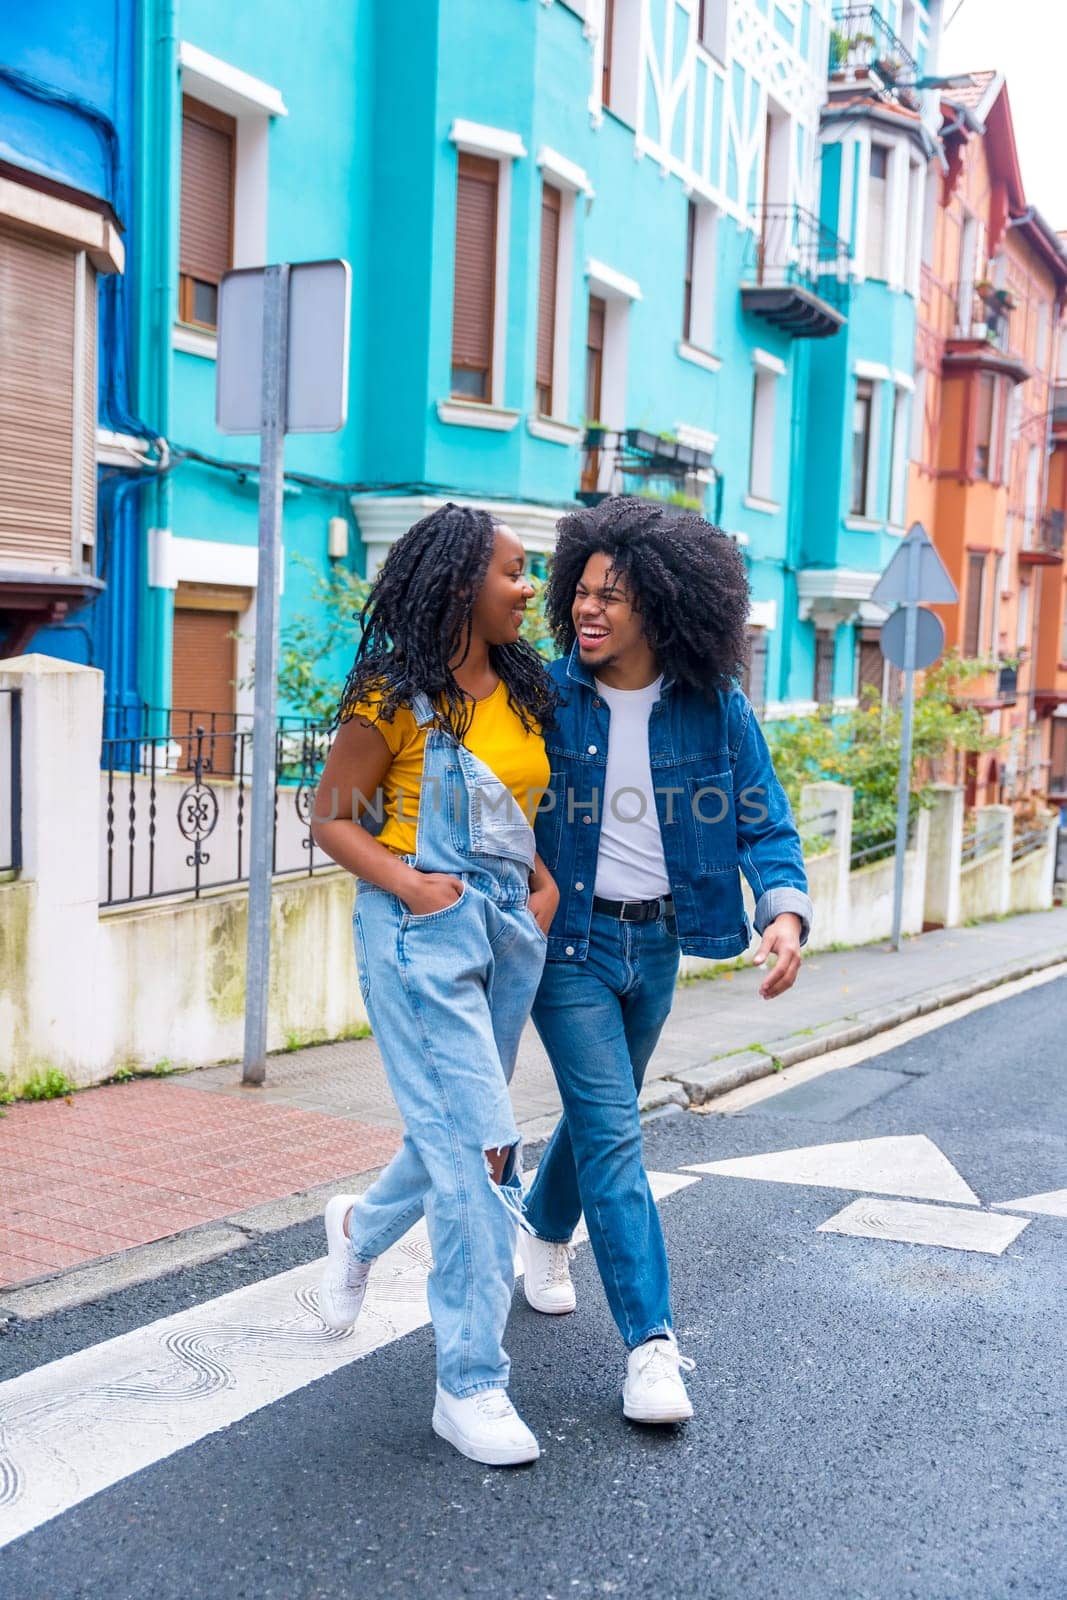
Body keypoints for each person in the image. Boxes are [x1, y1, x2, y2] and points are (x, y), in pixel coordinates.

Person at [515, 495, 812, 1425]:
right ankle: (651, 1347)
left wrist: (784, 914)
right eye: (582, 591)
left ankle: (541, 1224)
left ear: (668, 606)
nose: (587, 610)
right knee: (614, 1133)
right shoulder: (543, 698)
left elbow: (762, 818)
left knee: (602, 1116)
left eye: (614, 595)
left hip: (661, 944)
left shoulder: (713, 708)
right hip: (569, 945)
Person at [310, 503, 559, 1468]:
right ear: (459, 583)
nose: (528, 587)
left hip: (505, 936)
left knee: (460, 1129)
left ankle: (358, 1225)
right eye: (513, 570)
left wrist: (536, 885)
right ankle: (470, 1385)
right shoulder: (391, 696)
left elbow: (523, 806)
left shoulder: (522, 688)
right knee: (483, 1152)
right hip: (420, 935)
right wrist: (409, 884)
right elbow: (332, 819)